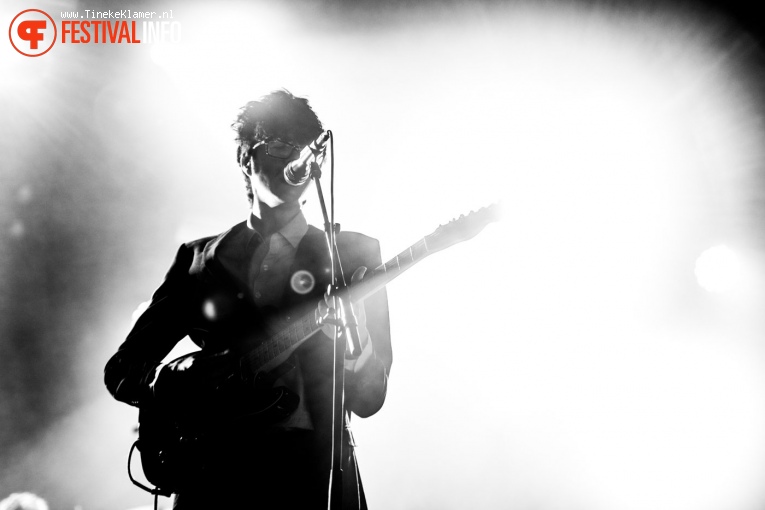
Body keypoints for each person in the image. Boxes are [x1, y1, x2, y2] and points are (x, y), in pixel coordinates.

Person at [104, 90, 392, 509]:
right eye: (279, 148)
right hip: (215, 481)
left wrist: (357, 340)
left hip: (316, 485)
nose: (297, 163)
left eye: (306, 153)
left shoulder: (353, 256)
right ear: (245, 158)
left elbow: (370, 400)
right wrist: (182, 384)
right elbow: (124, 370)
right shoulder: (198, 261)